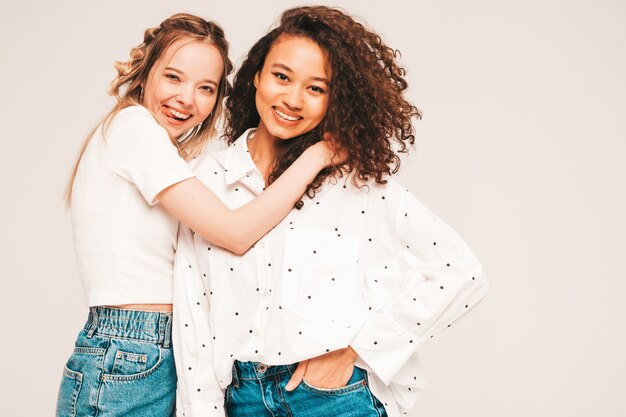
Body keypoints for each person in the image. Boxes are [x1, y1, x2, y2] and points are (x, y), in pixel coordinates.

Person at [173, 6, 489, 417]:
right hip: (240, 398)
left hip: (332, 400)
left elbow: (461, 272)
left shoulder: (357, 186)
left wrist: (358, 351)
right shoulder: (205, 178)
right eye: (281, 77)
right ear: (256, 75)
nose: (292, 99)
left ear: (333, 100)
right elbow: (193, 309)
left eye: (316, 88)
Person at [56, 13, 340, 417]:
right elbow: (234, 232)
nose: (187, 99)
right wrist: (317, 156)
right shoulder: (133, 127)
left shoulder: (159, 151)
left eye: (205, 88)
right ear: (144, 73)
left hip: (145, 353)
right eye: (173, 77)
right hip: (128, 350)